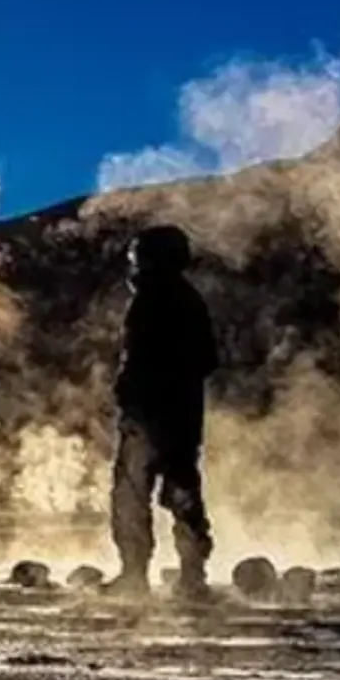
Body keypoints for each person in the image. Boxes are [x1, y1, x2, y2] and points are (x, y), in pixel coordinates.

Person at [109, 224, 220, 596]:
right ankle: (190, 575)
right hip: (179, 415)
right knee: (180, 490)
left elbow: (198, 359)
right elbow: (206, 360)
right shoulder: (183, 299)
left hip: (154, 415)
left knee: (134, 493)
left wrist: (142, 390)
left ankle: (140, 575)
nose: (134, 263)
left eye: (139, 255)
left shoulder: (157, 299)